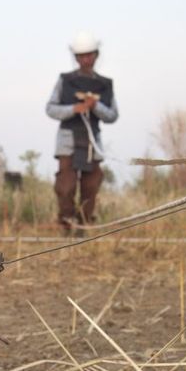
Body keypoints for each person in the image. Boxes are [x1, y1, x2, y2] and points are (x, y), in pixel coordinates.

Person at [46, 31, 119, 233]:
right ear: (76, 57)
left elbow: (112, 115)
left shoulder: (105, 84)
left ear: (96, 55)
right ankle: (66, 224)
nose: (86, 59)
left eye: (90, 55)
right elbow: (50, 109)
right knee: (66, 185)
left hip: (92, 142)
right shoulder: (65, 81)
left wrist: (95, 106)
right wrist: (74, 109)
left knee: (91, 185)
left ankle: (84, 225)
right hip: (68, 141)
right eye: (82, 55)